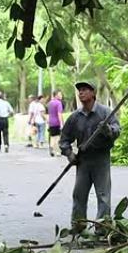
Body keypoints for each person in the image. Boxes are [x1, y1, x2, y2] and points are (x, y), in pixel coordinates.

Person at [59, 81, 120, 233]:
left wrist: (108, 130)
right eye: (79, 90)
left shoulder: (106, 113)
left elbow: (117, 130)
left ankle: (102, 228)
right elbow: (64, 139)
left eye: (85, 90)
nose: (81, 92)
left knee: (103, 196)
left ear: (93, 93)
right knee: (79, 195)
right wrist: (69, 154)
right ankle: (78, 227)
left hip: (101, 159)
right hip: (83, 160)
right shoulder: (75, 117)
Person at [47, 90, 64, 156]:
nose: (61, 96)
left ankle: (51, 147)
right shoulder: (58, 103)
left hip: (51, 122)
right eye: (60, 94)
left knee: (52, 136)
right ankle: (57, 151)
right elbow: (59, 114)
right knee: (57, 137)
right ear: (56, 95)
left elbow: (49, 113)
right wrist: (61, 123)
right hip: (57, 122)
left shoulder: (50, 103)